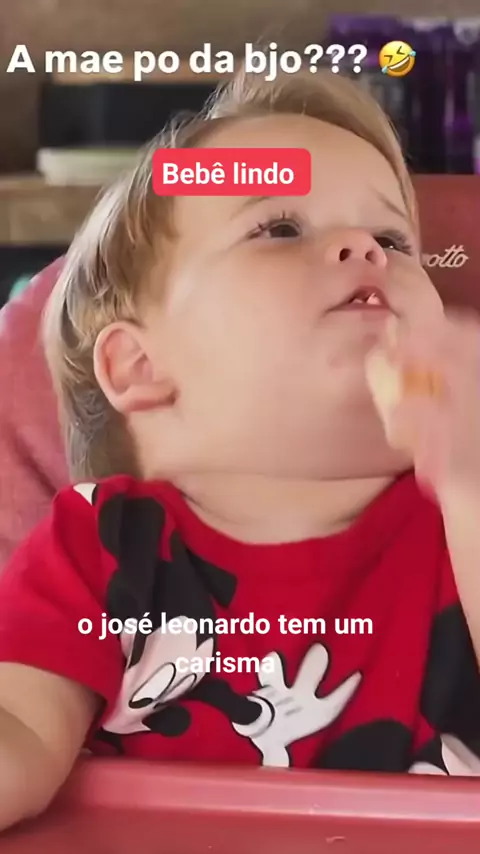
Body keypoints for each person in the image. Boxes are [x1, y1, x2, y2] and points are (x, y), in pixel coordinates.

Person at [0, 68, 479, 832]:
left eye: (394, 240)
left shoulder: (460, 521)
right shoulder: (98, 551)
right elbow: (18, 734)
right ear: (140, 367)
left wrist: (469, 475)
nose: (366, 249)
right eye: (280, 228)